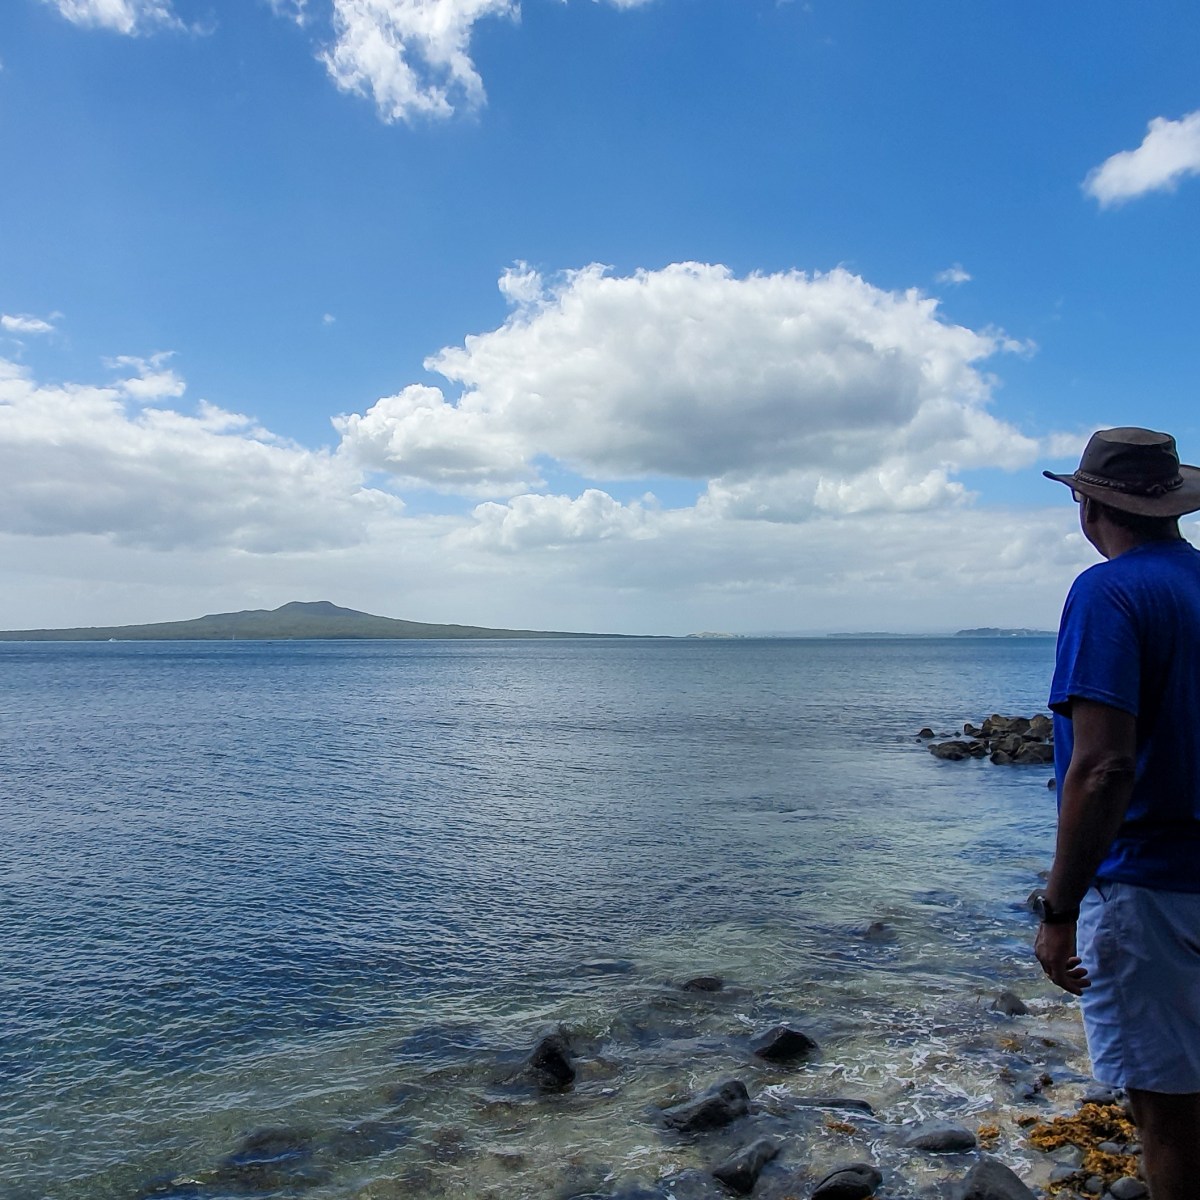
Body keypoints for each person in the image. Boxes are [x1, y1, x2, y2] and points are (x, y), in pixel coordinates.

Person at [1036, 426, 1200, 1200]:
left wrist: (1058, 908)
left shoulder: (1109, 592)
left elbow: (1102, 769)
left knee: (1168, 1119)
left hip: (1150, 890)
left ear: (1089, 505)